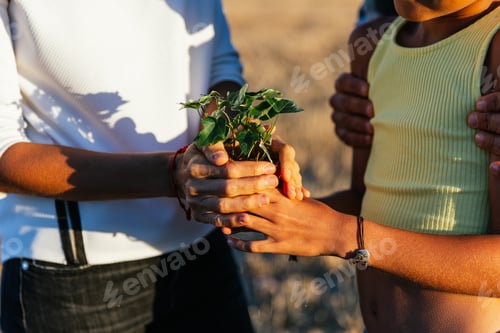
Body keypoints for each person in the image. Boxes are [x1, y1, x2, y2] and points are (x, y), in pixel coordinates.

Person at [187, 1, 500, 331]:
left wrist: (339, 234)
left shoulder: (492, 49)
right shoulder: (372, 45)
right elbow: (364, 198)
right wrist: (278, 211)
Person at [0, 1, 304, 332]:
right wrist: (174, 175)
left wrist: (240, 136)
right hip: (74, 275)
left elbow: (219, 67)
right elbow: (4, 154)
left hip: (202, 244)